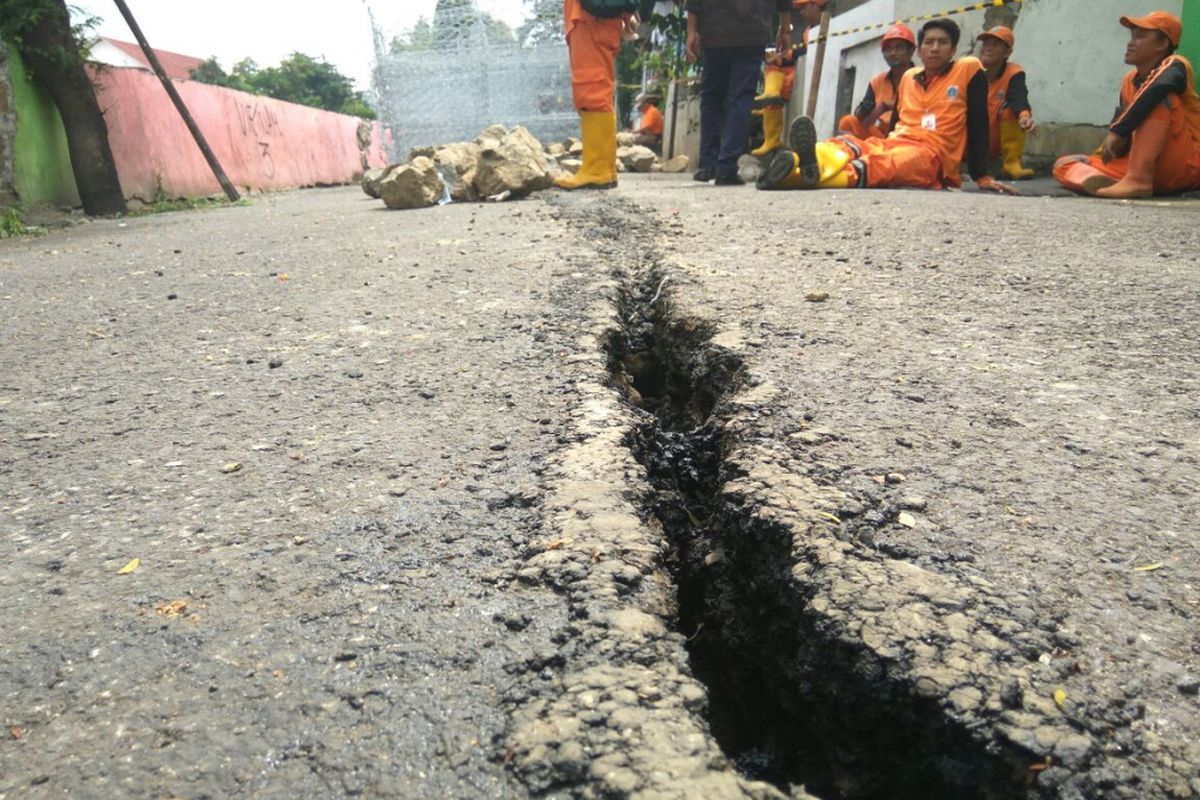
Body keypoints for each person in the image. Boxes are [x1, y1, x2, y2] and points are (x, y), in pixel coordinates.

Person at [758, 17, 1016, 194]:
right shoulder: (907, 77)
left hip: (931, 155)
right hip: (896, 140)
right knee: (848, 144)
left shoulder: (968, 68)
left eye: (942, 43)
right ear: (920, 50)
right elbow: (893, 124)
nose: (935, 48)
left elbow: (979, 121)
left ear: (953, 49)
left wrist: (981, 174)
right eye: (929, 42)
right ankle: (793, 163)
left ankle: (793, 175)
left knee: (880, 163)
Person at [1054, 11, 1200, 198]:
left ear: (1163, 44)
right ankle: (1106, 183)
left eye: (1140, 37)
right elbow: (1124, 129)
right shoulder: (1129, 80)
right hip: (1148, 168)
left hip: (1184, 166)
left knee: (1159, 99)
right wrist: (1109, 151)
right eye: (1132, 36)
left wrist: (1118, 131)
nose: (1131, 43)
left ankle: (1138, 181)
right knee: (1065, 164)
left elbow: (1159, 87)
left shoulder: (1176, 64)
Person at [686, 0, 794, 184]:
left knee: (712, 96)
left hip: (715, 31)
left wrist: (691, 32)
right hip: (751, 31)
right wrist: (785, 29)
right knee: (741, 98)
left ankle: (708, 164)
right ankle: (727, 167)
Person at [556, 2, 640, 191]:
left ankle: (597, 171)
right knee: (596, 91)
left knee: (591, 92)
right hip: (592, 21)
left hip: (592, 21)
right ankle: (603, 169)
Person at [750, 0, 826, 157]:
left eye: (804, 8)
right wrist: (780, 58)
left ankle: (770, 106)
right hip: (794, 73)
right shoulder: (808, 30)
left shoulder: (825, 28)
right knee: (773, 71)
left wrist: (787, 55)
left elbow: (807, 52)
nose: (802, 13)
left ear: (815, 5)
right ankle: (770, 102)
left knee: (780, 88)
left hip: (799, 76)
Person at [836, 24, 917, 141]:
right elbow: (861, 116)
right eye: (888, 49)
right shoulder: (877, 82)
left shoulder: (921, 78)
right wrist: (873, 109)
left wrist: (891, 107)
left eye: (899, 48)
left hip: (908, 135)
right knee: (847, 121)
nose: (893, 53)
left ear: (911, 51)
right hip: (882, 134)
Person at [977, 26, 1037, 179]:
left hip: (992, 140)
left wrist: (1024, 116)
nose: (988, 48)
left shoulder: (1013, 73)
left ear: (1007, 53)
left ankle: (1011, 164)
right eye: (986, 43)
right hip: (966, 140)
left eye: (995, 44)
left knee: (1010, 111)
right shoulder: (969, 70)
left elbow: (1018, 97)